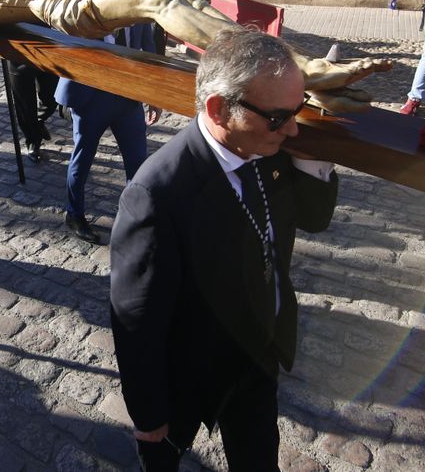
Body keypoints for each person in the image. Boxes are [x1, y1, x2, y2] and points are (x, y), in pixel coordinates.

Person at [110, 28, 338, 471]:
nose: (292, 128)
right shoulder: (157, 193)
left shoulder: (271, 146)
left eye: (299, 110)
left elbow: (314, 218)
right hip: (190, 372)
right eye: (279, 117)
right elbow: (137, 317)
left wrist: (316, 155)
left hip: (257, 355)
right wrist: (149, 415)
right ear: (219, 108)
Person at [56, 0, 160, 243]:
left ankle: (138, 224)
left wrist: (152, 90)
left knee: (139, 165)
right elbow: (61, 40)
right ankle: (75, 215)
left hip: (127, 93)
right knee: (82, 159)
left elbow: (145, 41)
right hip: (91, 94)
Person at [3, 0, 59, 163]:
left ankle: (38, 121)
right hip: (17, 53)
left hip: (44, 48)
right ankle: (32, 141)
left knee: (52, 97)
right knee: (24, 104)